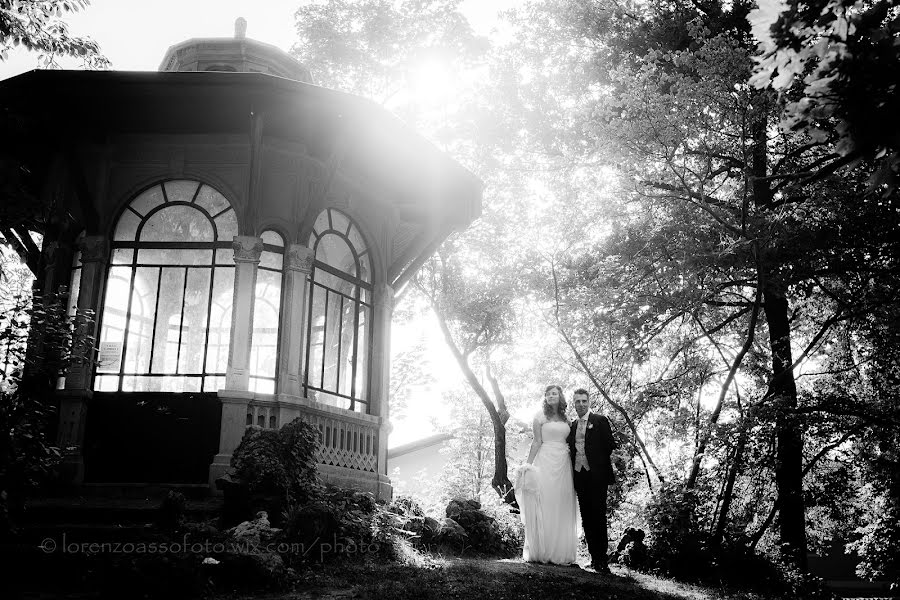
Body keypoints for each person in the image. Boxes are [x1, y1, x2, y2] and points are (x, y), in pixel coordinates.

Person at [514, 385, 579, 565]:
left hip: (563, 463)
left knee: (561, 502)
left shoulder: (568, 420)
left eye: (554, 393)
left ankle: (561, 551)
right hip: (544, 461)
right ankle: (542, 550)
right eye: (548, 394)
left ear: (560, 397)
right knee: (544, 502)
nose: (551, 396)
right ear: (545, 398)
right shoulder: (539, 418)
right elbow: (536, 442)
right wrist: (528, 465)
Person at [568, 388, 617, 574]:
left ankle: (602, 560)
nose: (580, 404)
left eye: (583, 401)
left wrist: (612, 463)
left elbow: (610, 445)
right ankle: (593, 557)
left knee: (598, 516)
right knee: (587, 519)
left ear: (589, 402)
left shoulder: (600, 420)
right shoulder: (572, 425)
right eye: (577, 401)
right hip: (580, 476)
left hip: (597, 477)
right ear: (574, 404)